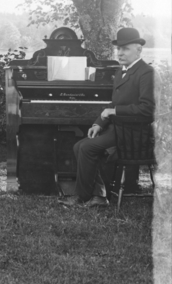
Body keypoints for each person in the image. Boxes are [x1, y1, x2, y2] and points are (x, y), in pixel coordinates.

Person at [62, 28, 156, 208]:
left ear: (139, 50)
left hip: (134, 134)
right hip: (118, 130)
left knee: (87, 148)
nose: (120, 53)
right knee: (79, 146)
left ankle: (82, 197)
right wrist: (99, 123)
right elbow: (113, 104)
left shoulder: (146, 73)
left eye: (125, 49)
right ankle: (99, 195)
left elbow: (148, 109)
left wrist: (114, 112)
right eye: (118, 49)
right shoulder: (121, 72)